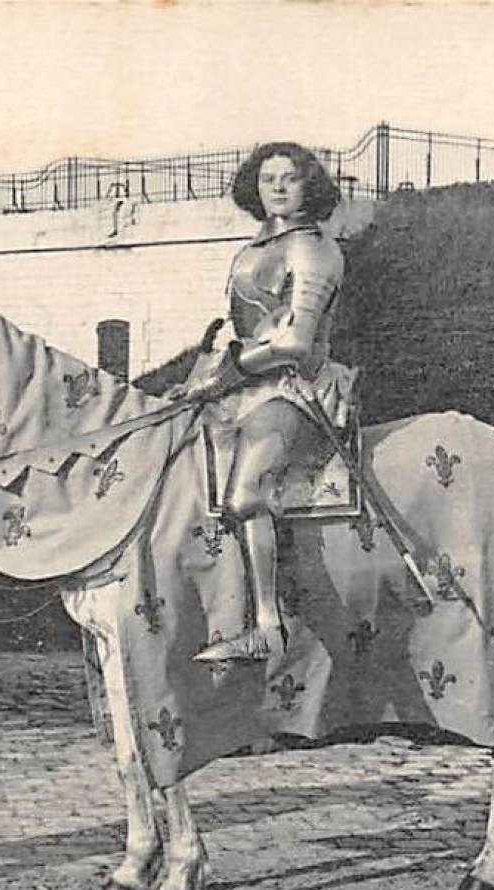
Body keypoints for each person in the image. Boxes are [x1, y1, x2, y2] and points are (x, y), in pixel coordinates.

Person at [175, 140, 358, 664]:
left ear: (309, 186)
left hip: (294, 391)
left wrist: (231, 367)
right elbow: (238, 329)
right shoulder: (252, 250)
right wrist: (203, 373)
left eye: (289, 177)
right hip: (242, 388)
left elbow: (296, 343)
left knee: (246, 495)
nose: (277, 187)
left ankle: (266, 627)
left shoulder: (314, 249)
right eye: (267, 178)